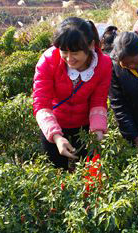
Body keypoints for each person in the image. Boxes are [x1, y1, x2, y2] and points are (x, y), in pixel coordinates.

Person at [32, 17, 112, 170]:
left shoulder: (103, 64)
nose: (69, 59)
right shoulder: (48, 60)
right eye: (64, 51)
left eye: (75, 52)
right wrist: (56, 137)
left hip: (83, 126)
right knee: (56, 173)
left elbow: (98, 101)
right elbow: (41, 103)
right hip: (54, 124)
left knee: (89, 172)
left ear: (91, 46)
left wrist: (97, 133)